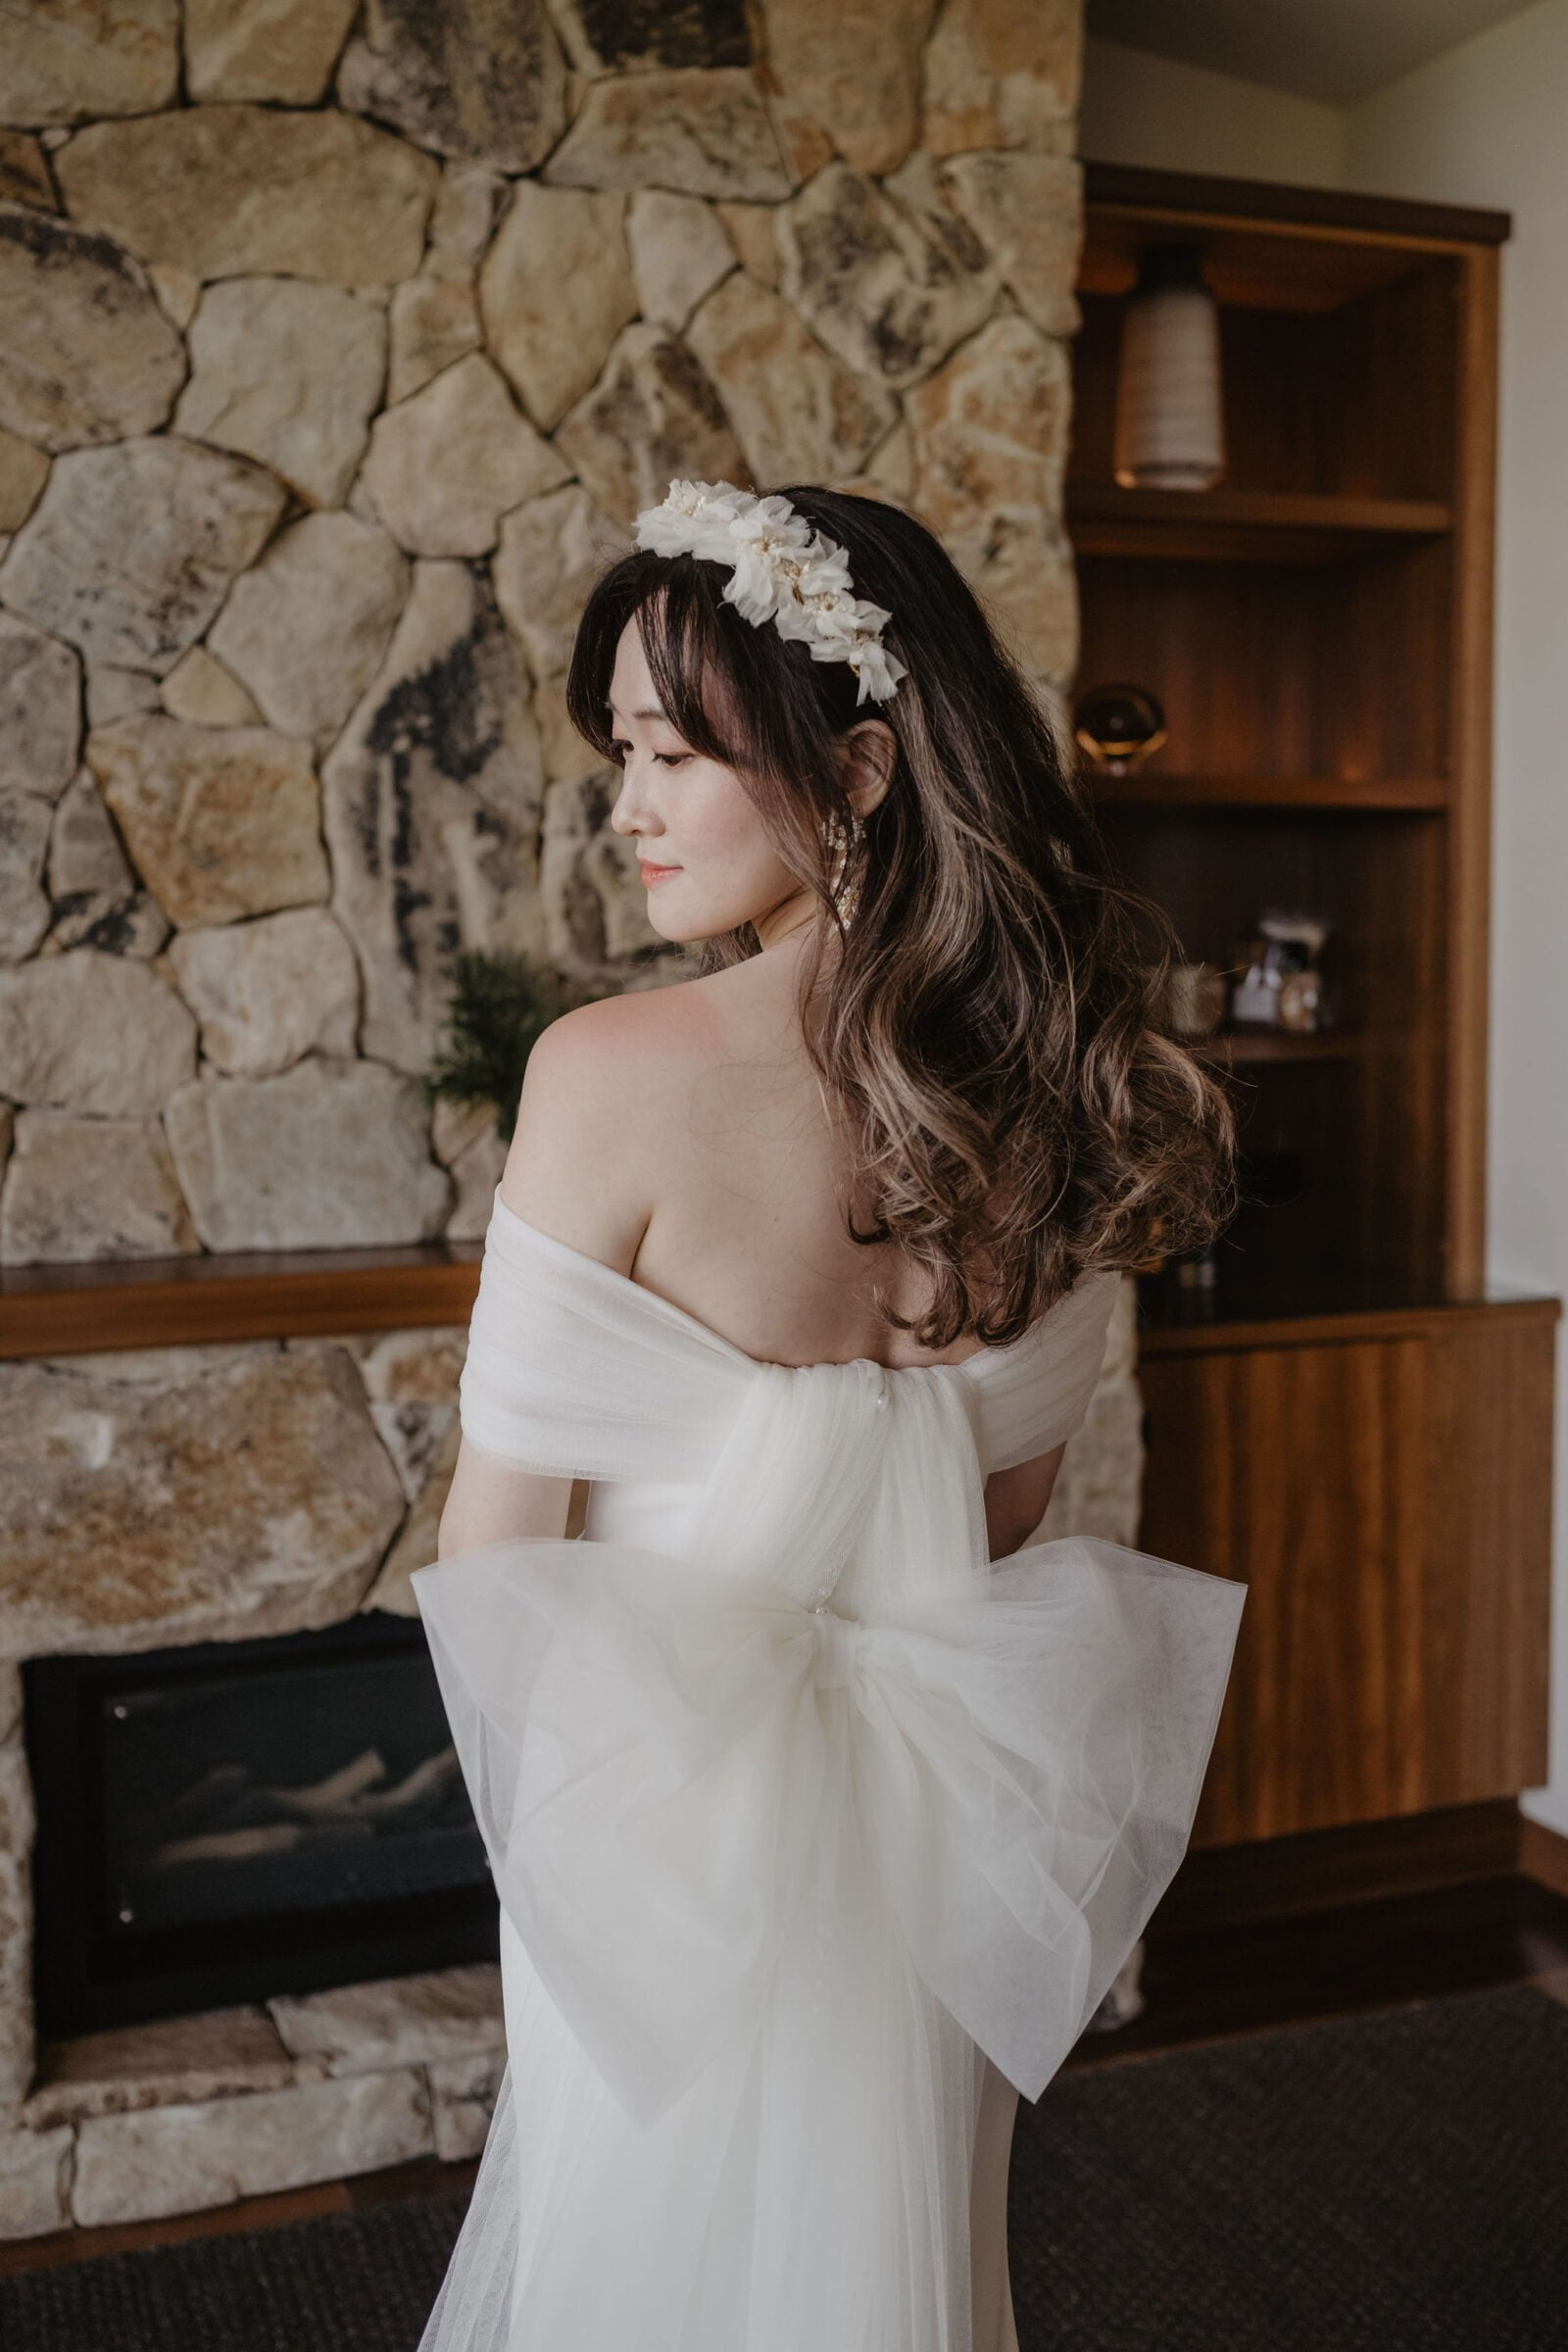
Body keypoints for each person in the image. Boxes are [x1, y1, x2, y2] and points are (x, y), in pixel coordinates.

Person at [411, 479, 1247, 2352]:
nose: (627, 807)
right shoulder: (1072, 1094)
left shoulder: (608, 1073)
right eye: (622, 753)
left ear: (858, 769)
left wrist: (576, 1862)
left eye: (672, 752)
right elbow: (1004, 1522)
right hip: (937, 1836)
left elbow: (495, 1553)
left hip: (661, 1854)